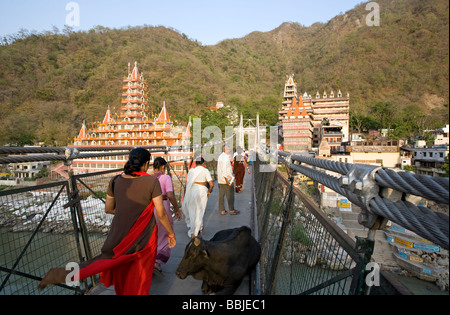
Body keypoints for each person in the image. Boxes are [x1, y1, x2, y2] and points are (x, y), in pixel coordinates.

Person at [38, 148, 176, 295]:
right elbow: (160, 213)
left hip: (118, 235)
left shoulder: (115, 180)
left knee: (108, 263)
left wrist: (126, 211)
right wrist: (171, 234)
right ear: (147, 163)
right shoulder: (151, 181)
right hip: (144, 238)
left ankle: (60, 274)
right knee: (140, 275)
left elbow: (109, 209)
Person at [152, 157, 182, 273]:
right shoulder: (166, 177)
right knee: (166, 233)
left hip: (151, 207)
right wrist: (176, 208)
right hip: (162, 206)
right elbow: (169, 194)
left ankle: (152, 259)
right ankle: (158, 262)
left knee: (155, 234)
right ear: (163, 167)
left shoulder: (149, 178)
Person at [183, 157, 214, 238]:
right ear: (203, 163)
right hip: (202, 192)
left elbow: (187, 184)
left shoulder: (191, 171)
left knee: (193, 210)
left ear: (195, 163)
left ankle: (193, 229)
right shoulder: (205, 170)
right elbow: (211, 184)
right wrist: (209, 191)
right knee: (200, 210)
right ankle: (199, 228)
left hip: (192, 191)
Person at [217, 145, 240, 216]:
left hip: (220, 179)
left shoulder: (221, 156)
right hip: (226, 178)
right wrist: (227, 179)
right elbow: (224, 169)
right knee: (230, 194)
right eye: (227, 149)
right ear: (224, 149)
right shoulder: (225, 158)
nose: (229, 150)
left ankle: (222, 210)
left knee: (221, 195)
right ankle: (231, 209)